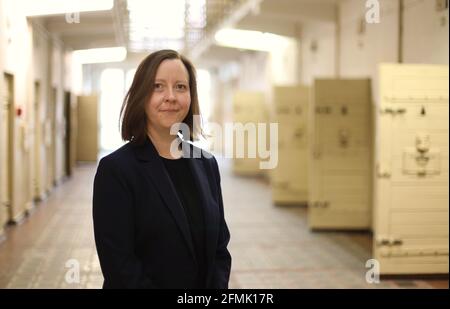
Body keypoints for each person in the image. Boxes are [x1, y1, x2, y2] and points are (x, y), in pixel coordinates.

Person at [92, 49, 231, 289]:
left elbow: (219, 249)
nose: (171, 96)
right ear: (141, 94)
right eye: (158, 86)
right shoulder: (116, 170)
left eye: (180, 87)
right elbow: (120, 265)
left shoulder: (206, 164)